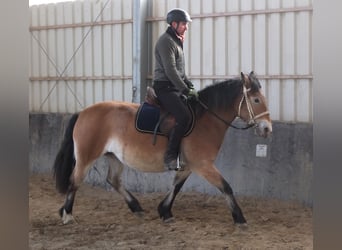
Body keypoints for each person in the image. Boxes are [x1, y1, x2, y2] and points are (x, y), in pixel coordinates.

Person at [153, 8, 197, 171]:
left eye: (186, 24)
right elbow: (170, 70)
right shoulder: (166, 42)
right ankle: (171, 156)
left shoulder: (177, 41)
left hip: (174, 86)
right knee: (183, 116)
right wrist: (184, 89)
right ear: (174, 24)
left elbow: (180, 71)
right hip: (164, 87)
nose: (186, 27)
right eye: (184, 24)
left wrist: (189, 84)